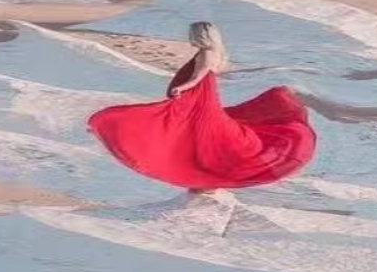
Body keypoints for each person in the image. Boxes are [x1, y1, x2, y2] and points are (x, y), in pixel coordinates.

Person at [87, 21, 316, 193]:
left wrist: (182, 87)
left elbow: (199, 76)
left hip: (197, 99)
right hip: (202, 98)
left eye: (193, 35)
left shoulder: (206, 54)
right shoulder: (216, 53)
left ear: (200, 35)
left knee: (177, 127)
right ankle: (201, 178)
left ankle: (109, 126)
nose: (191, 38)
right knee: (187, 132)